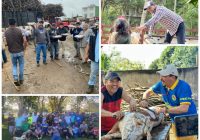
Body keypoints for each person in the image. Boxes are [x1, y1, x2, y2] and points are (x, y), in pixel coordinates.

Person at [139, 64, 197, 140]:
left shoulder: (183, 87)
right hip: (174, 120)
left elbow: (184, 108)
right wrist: (144, 100)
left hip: (188, 121)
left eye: (164, 76)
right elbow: (147, 92)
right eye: (161, 75)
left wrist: (165, 110)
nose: (161, 78)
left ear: (172, 77)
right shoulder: (161, 85)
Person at [4, 18, 27, 86]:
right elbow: (25, 41)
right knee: (21, 65)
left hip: (12, 52)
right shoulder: (20, 30)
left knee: (14, 65)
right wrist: (24, 48)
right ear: (15, 23)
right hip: (20, 51)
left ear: (9, 24)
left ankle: (15, 78)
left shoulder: (6, 32)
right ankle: (21, 79)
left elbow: (5, 42)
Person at [85, 24, 99, 94]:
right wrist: (86, 54)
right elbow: (88, 44)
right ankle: (91, 86)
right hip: (94, 57)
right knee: (93, 72)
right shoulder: (93, 32)